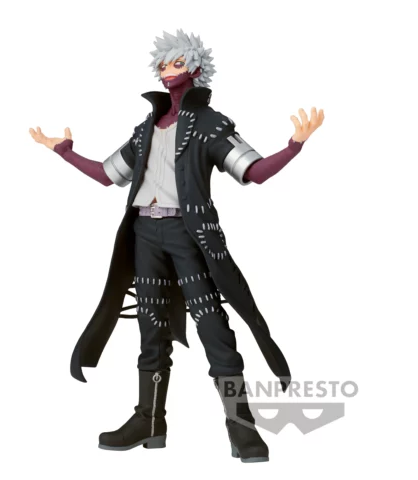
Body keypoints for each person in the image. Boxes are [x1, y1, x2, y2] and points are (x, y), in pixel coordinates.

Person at [29, 29, 324, 462]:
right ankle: (149, 421)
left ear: (196, 68)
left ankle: (242, 428)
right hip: (144, 235)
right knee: (150, 328)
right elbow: (108, 175)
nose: (168, 70)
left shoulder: (210, 125)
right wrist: (65, 152)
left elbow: (254, 172)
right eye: (164, 64)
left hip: (189, 235)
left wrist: (294, 146)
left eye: (177, 63)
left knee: (213, 327)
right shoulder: (146, 127)